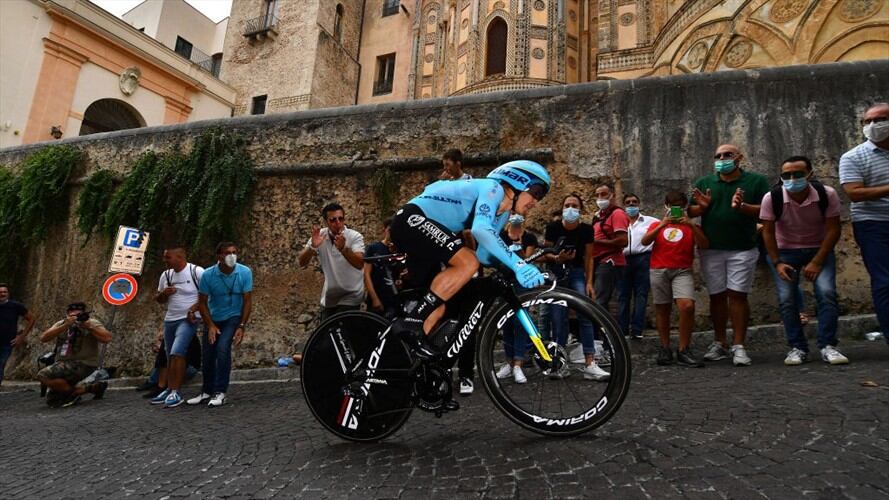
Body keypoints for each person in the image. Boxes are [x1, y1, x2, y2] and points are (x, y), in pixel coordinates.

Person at [388, 161, 549, 368]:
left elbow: (483, 254)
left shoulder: (503, 214)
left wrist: (513, 266)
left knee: (437, 306)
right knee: (467, 261)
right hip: (411, 219)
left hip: (423, 232)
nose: (536, 201)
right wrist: (518, 265)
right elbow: (480, 230)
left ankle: (406, 367)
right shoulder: (493, 188)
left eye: (541, 196)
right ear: (518, 181)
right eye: (536, 192)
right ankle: (411, 324)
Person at [689, 144, 770, 366]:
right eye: (718, 156)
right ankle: (720, 342)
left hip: (743, 248)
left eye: (728, 155)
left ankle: (739, 345)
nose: (722, 158)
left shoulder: (756, 182)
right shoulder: (704, 183)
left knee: (737, 296)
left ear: (739, 158)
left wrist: (742, 206)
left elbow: (767, 210)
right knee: (716, 296)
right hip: (711, 249)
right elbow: (688, 211)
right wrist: (702, 207)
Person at [761, 156, 846, 365]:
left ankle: (828, 345)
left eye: (797, 174)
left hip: (818, 249)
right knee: (787, 299)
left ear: (810, 174)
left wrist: (818, 260)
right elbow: (768, 233)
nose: (792, 179)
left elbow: (834, 228)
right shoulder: (772, 198)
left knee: (826, 293)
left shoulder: (827, 195)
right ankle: (797, 347)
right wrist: (777, 262)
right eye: (786, 175)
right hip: (785, 251)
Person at [540, 193, 610, 381]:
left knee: (585, 315)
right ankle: (559, 362)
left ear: (580, 209)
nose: (570, 209)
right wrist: (557, 257)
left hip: (577, 272)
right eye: (567, 205)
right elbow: (545, 253)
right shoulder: (553, 228)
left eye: (574, 205)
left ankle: (590, 362)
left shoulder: (587, 230)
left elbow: (589, 257)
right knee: (557, 318)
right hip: (557, 273)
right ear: (562, 209)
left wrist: (589, 282)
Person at [839, 102, 889, 346]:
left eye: (880, 119)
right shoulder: (853, 157)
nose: (873, 125)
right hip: (873, 224)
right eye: (867, 121)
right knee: (884, 281)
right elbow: (854, 193)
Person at [641, 190, 709, 367]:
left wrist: (691, 225)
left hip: (682, 270)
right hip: (659, 269)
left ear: (685, 206)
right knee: (662, 309)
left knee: (687, 306)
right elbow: (645, 241)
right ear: (666, 207)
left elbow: (704, 244)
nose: (676, 209)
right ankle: (665, 348)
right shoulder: (658, 224)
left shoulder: (690, 225)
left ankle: (683, 349)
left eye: (679, 205)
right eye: (672, 206)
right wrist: (662, 224)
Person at [189, 242, 253, 408]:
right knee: (208, 354)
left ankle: (220, 391)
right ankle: (206, 391)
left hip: (233, 317)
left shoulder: (244, 272)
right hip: (214, 317)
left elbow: (247, 301)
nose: (232, 256)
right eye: (227, 253)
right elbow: (202, 303)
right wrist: (210, 324)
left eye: (234, 252)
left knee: (223, 348)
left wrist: (242, 326)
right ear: (219, 256)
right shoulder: (208, 275)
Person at [151, 246, 204, 407]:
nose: (165, 260)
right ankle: (169, 388)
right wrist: (164, 294)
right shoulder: (166, 275)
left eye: (168, 257)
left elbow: (208, 296)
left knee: (177, 352)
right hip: (170, 318)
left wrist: (194, 309)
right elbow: (159, 299)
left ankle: (176, 392)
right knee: (169, 355)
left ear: (180, 257)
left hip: (189, 318)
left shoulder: (197, 272)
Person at [298, 203, 366, 321]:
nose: (338, 223)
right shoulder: (320, 236)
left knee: (344, 333)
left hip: (351, 295)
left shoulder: (354, 236)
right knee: (326, 336)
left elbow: (360, 263)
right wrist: (312, 247)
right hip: (330, 298)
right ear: (326, 222)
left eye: (341, 218)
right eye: (333, 220)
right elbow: (302, 262)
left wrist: (344, 249)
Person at [37, 303, 111, 407]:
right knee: (52, 401)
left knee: (43, 375)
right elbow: (43, 338)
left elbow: (107, 338)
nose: (76, 317)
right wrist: (65, 325)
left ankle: (73, 393)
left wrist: (90, 327)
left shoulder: (92, 323)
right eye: (72, 314)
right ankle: (92, 388)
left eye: (79, 314)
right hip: (63, 364)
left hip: (85, 364)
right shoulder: (62, 323)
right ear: (67, 314)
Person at [495, 213, 539, 383]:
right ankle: (509, 362)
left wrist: (518, 244)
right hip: (505, 282)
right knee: (505, 323)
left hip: (521, 283)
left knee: (520, 323)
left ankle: (519, 364)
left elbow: (526, 260)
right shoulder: (500, 237)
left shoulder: (529, 237)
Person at [618, 194, 658, 340]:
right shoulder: (619, 222)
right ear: (623, 205)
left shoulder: (650, 221)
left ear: (639, 204)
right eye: (628, 202)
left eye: (634, 202)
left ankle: (637, 329)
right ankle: (622, 330)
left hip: (643, 259)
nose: (631, 205)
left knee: (641, 294)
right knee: (623, 295)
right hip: (623, 259)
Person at [591, 184, 630, 310]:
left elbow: (623, 241)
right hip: (599, 261)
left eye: (603, 194)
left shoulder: (617, 214)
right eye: (597, 195)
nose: (600, 198)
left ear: (612, 196)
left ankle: (601, 329)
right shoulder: (598, 216)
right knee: (598, 298)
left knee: (600, 300)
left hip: (609, 261)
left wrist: (597, 242)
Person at [364, 217, 400, 319]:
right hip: (377, 296)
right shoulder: (374, 248)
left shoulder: (400, 250)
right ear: (384, 229)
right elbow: (366, 274)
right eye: (390, 230)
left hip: (394, 298)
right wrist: (374, 298)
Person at [0, 283, 35, 387]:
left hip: (6, 343)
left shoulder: (15, 306)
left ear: (8, 293)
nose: (2, 294)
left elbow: (31, 318)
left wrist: (22, 336)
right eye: (0, 292)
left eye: (4, 292)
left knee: (0, 365)